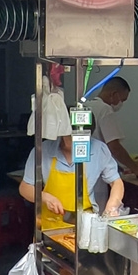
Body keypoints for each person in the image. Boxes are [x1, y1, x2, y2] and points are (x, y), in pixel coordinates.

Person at [19, 95, 124, 230]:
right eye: (73, 139)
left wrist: (112, 206)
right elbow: (25, 187)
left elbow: (116, 182)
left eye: (84, 140)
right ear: (63, 133)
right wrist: (45, 197)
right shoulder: (42, 151)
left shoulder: (99, 149)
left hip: (86, 224)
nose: (79, 145)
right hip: (50, 224)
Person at [89, 76, 138, 178]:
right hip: (100, 173)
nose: (121, 104)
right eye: (122, 100)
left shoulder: (87, 106)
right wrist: (135, 168)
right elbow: (114, 147)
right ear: (114, 94)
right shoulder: (105, 110)